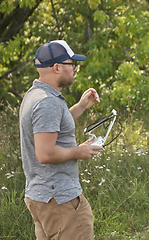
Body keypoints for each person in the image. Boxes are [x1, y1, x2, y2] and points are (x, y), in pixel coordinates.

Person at [19, 40, 103, 240]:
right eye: (72, 64)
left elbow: (52, 128)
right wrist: (79, 152)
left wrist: (81, 106)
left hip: (41, 197)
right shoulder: (48, 102)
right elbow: (45, 153)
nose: (75, 69)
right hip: (60, 200)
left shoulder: (35, 94)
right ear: (57, 67)